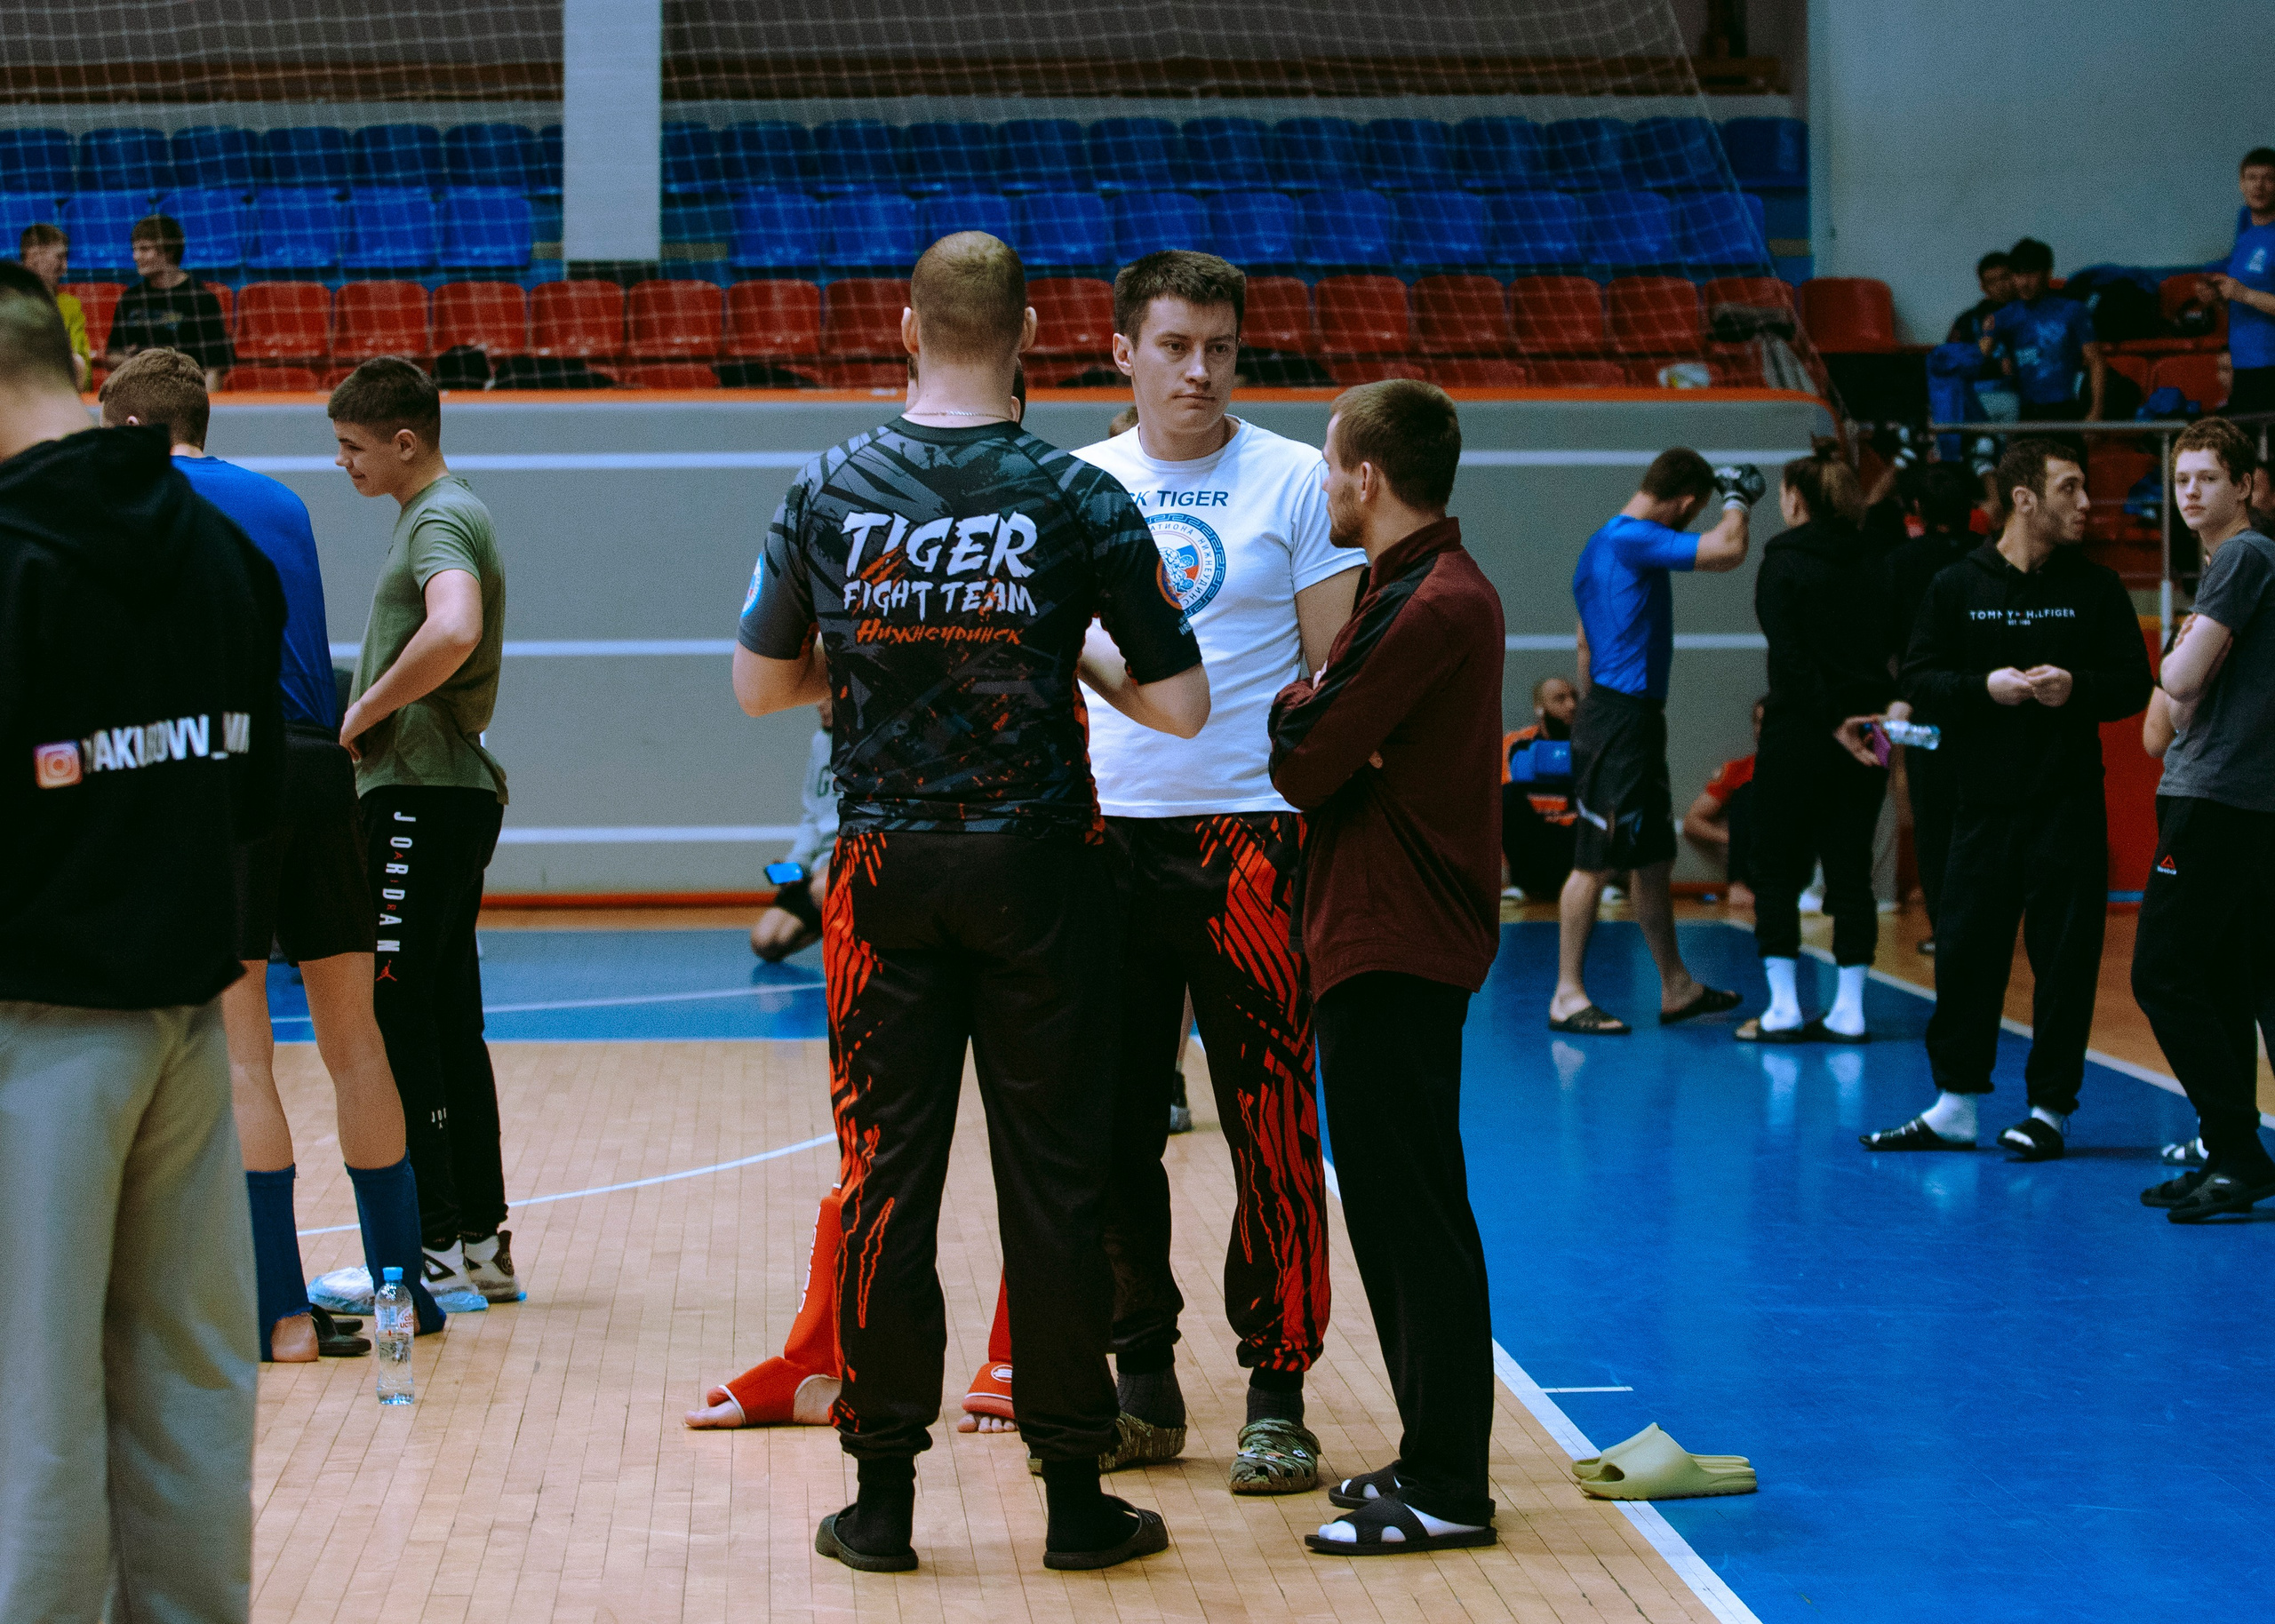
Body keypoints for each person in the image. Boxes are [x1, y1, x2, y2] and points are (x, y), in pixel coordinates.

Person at [734, 230, 1207, 1573]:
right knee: (1053, 1180)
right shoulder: (1078, 498)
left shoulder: (826, 490)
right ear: (1036, 332)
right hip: (1044, 873)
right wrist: (1069, 654)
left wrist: (883, 661)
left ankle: (881, 1504)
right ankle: (1074, 1501)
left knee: (889, 1175)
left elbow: (762, 687)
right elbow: (1182, 706)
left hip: (883, 871)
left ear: (903, 329)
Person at [1032, 248, 1355, 1494]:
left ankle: (1278, 1389)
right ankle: (1143, 1378)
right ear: (1123, 353)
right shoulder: (1073, 487)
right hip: (1104, 839)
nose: (1200, 371)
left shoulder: (1289, 480)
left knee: (1272, 1124)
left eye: (1220, 346)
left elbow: (1335, 688)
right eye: (1174, 346)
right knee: (1109, 1128)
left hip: (1253, 840)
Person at [0, 259, 283, 1624]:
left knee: (30, 1410)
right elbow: (245, 797)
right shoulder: (225, 549)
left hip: (36, 1033)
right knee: (185, 1392)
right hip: (189, 1028)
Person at [99, 347, 451, 1357]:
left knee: (246, 1058)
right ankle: (401, 1301)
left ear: (129, 432)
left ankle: (282, 1317)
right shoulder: (285, 503)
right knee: (356, 1041)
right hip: (316, 764)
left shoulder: (136, 507)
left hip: (225, 775)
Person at [1265, 379, 1505, 1556]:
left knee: (1415, 1215)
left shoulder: (1434, 604)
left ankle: (1453, 1487)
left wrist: (1301, 710)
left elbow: (1307, 758)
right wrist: (1315, 711)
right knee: (1403, 1209)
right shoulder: (1407, 589)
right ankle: (1429, 1456)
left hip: (1398, 941)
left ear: (1367, 475)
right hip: (1380, 935)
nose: (1321, 483)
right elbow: (1327, 738)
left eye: (1329, 464)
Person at [1862, 439, 2151, 1159]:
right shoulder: (1959, 585)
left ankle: (2050, 1111)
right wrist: (1983, 690)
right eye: (2070, 489)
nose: (2086, 503)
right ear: (2024, 498)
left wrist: (2074, 688)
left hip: (2067, 807)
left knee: (2065, 961)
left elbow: (2131, 685)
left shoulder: (2097, 588)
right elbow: (1922, 679)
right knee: (1965, 954)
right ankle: (1956, 1104)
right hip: (1980, 808)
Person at [330, 358, 523, 1309]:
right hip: (446, 796)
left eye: (353, 448)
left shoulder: (440, 515)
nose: (344, 464)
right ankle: (479, 1239)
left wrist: (361, 711)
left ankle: (435, 1247)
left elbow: (453, 626)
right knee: (447, 1014)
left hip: (418, 794)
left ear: (405, 442)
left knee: (400, 1010)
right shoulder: (446, 512)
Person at [1548, 448, 1755, 1035]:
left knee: (1653, 858)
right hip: (1620, 718)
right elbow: (1727, 550)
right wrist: (1739, 499)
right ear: (1687, 503)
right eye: (1700, 509)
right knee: (1594, 860)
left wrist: (1594, 716)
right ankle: (1566, 995)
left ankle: (1676, 985)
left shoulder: (1598, 547)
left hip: (1620, 717)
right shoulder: (1631, 538)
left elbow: (1585, 643)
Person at [2132, 418, 2275, 1220]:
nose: (2190, 492)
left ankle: (2238, 1149)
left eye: (2207, 478)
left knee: (2159, 973)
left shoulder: (2246, 557)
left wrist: (2179, 654)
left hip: (2217, 799)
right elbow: (2167, 722)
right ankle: (2230, 1151)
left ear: (2245, 486)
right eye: (2181, 478)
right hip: (2226, 795)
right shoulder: (2232, 564)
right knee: (2224, 977)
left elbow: (2179, 685)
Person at [1736, 453, 1892, 1042]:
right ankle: (1849, 1011)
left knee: (1775, 867)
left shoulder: (1783, 561)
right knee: (1851, 869)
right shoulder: (1881, 558)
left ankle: (1782, 1008)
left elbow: (1792, 655)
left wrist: (1830, 719)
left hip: (1801, 729)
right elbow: (1898, 645)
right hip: (1871, 727)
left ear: (1797, 499)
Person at [1884, 463, 1984, 950]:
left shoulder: (1902, 563)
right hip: (1987, 701)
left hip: (1925, 703)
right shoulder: (1990, 558)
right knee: (1985, 813)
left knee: (1933, 817)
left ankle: (1945, 924)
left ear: (1918, 509)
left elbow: (1885, 641)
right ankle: (1985, 920)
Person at [750, 697, 837, 962]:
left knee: (824, 887)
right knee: (765, 942)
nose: (820, 705)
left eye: (829, 697)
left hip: (850, 860)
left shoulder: (870, 748)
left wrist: (838, 860)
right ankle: (831, 921)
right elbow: (812, 814)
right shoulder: (821, 742)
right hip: (816, 872)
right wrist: (796, 865)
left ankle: (851, 955)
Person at [1983, 238, 2105, 427]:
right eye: (2018, 275)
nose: (2024, 283)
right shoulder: (2002, 317)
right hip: (2025, 412)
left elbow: (2095, 360)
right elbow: (1979, 357)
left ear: (2047, 273)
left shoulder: (2072, 311)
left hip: (2064, 410)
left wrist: (2095, 411)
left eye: (2031, 274)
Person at [105, 214, 232, 390]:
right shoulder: (130, 298)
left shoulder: (201, 299)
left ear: (169, 251)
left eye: (144, 249)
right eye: (135, 249)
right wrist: (133, 362)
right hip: (138, 391)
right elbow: (112, 355)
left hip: (184, 392)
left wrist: (207, 412)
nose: (135, 256)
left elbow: (215, 368)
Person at [2201, 147, 2275, 416]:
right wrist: (2217, 296)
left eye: (2268, 178)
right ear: (2241, 184)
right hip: (2244, 365)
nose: (2259, 185)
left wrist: (2244, 294)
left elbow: (2247, 295)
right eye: (2252, 177)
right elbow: (2238, 304)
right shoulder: (2245, 233)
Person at [1682, 697, 1766, 905]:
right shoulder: (1738, 771)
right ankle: (1740, 885)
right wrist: (1736, 839)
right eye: (1758, 723)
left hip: (1791, 855)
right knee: (1746, 791)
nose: (1762, 730)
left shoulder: (1803, 771)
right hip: (1752, 867)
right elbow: (1692, 822)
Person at [1504, 674, 1580, 900]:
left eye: (1574, 697)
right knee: (1504, 795)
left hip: (1577, 849)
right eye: (1560, 699)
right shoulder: (1516, 744)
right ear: (1540, 708)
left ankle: (1599, 883)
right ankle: (1520, 885)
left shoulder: (1593, 745)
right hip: (1533, 848)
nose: (1572, 705)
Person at [19, 222, 91, 388]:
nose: (64, 268)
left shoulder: (71, 306)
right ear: (33, 255)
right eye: (59, 257)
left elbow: (83, 372)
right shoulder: (7, 302)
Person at [1946, 251, 2015, 345]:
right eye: (1992, 282)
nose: (2000, 286)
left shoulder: (2032, 312)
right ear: (1983, 287)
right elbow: (1952, 354)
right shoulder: (1968, 321)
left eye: (2004, 278)